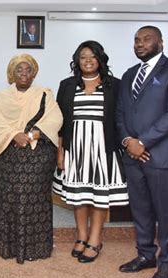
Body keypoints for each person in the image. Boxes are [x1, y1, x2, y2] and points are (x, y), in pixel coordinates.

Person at [116, 26, 168, 278]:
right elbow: (120, 113)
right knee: (140, 209)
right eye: (136, 40)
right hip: (133, 155)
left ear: (161, 42)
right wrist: (128, 141)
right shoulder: (128, 75)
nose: (140, 44)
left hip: (160, 155)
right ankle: (146, 254)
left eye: (146, 39)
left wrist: (143, 142)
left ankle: (167, 264)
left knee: (165, 210)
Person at [52, 40, 128, 263]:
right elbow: (61, 123)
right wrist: (60, 152)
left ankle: (95, 239)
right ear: (77, 60)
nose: (87, 61)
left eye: (92, 56)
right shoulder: (66, 85)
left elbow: (120, 119)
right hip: (76, 149)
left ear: (100, 60)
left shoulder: (115, 85)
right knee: (79, 197)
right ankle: (82, 236)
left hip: (104, 149)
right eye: (83, 56)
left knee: (99, 197)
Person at [0, 54, 63, 264]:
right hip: (8, 155)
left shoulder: (44, 94)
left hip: (38, 154)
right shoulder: (1, 97)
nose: (23, 73)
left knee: (35, 198)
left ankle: (36, 247)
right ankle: (7, 246)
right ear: (12, 73)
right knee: (8, 199)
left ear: (33, 73)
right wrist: (14, 134)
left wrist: (32, 135)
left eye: (28, 69)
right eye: (19, 70)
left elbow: (56, 119)